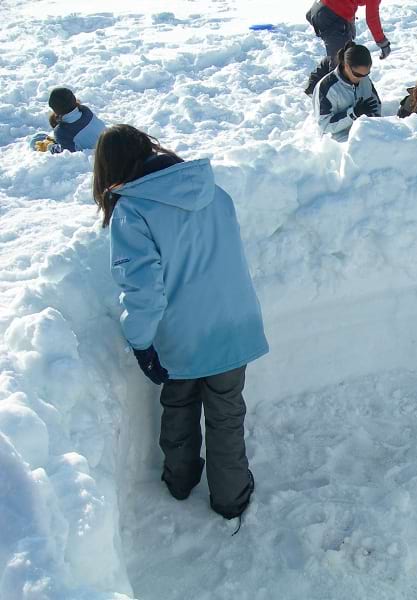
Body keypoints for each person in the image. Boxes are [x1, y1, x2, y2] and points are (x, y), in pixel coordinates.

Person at [92, 125, 269, 521]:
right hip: (232, 322)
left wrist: (141, 343)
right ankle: (231, 498)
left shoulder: (133, 210)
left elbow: (143, 291)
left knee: (179, 404)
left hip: (183, 335)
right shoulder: (212, 191)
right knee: (225, 415)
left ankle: (180, 481)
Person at [304, 0, 391, 96]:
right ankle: (332, 98)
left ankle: (313, 85)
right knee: (342, 62)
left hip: (320, 9)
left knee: (341, 53)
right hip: (331, 16)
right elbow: (372, 17)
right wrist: (382, 42)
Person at [314, 42, 382, 141]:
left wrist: (373, 119)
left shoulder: (364, 79)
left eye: (366, 74)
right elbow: (325, 126)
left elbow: (375, 104)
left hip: (364, 130)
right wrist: (353, 114)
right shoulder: (327, 88)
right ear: (346, 66)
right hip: (338, 138)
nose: (362, 78)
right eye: (357, 74)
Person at [47, 87, 106, 153]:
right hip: (108, 142)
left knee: (37, 138)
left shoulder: (62, 132)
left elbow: (67, 154)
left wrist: (49, 146)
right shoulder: (85, 111)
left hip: (97, 155)